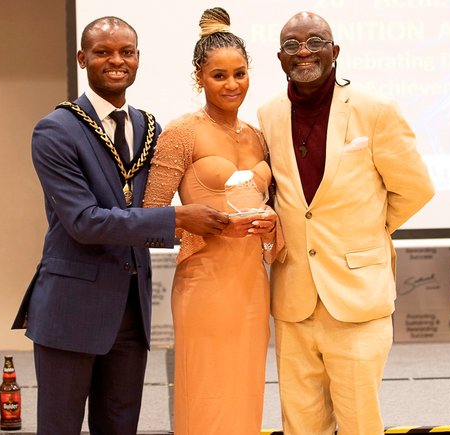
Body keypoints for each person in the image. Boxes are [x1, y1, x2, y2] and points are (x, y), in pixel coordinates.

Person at [11, 16, 228, 435]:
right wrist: (178, 219)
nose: (116, 61)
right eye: (103, 52)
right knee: (60, 428)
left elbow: (150, 206)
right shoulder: (56, 130)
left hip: (131, 310)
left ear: (137, 59)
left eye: (126, 52)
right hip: (70, 308)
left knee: (121, 427)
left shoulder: (150, 127)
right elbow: (84, 222)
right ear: (82, 58)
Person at [257, 11, 435, 435]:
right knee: (300, 424)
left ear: (334, 52)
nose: (304, 52)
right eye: (293, 45)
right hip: (293, 299)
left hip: (357, 298)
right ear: (280, 58)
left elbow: (415, 189)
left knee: (359, 423)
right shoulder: (268, 115)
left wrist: (368, 231)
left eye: (315, 42)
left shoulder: (376, 110)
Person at [143, 7, 282, 435]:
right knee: (205, 392)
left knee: (246, 390)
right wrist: (202, 223)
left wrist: (270, 222)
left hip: (252, 282)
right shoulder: (181, 132)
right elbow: (149, 216)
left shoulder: (258, 134)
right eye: (219, 75)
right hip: (204, 281)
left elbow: (273, 202)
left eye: (239, 74)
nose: (231, 84)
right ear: (199, 78)